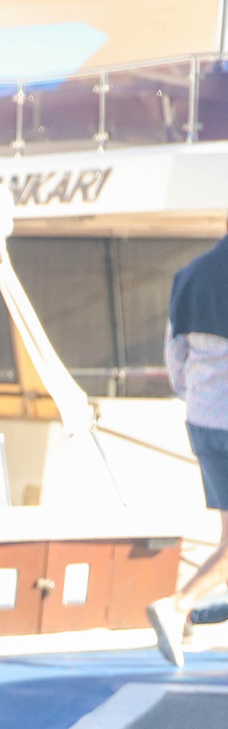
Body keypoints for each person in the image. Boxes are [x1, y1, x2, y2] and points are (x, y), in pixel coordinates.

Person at [149, 224, 228, 667]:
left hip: (203, 419)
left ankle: (194, 610)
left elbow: (175, 357)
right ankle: (180, 606)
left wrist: (196, 393)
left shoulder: (190, 275)